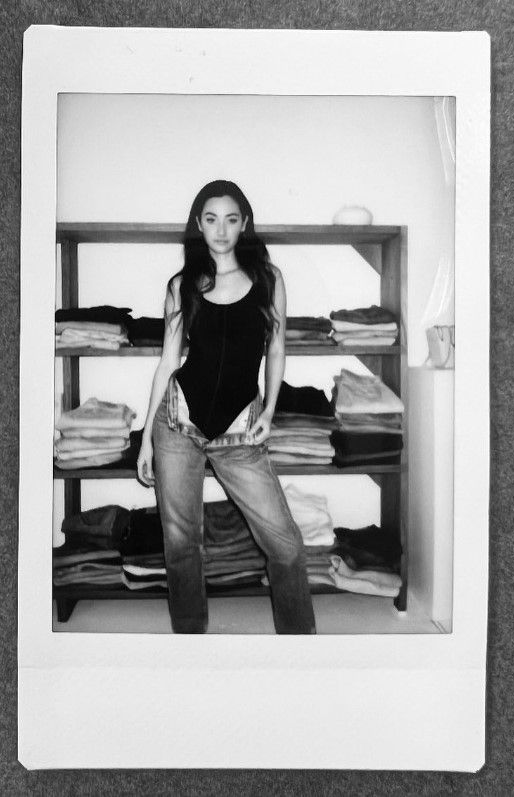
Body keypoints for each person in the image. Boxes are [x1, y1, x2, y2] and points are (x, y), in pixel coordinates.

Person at [137, 180, 316, 634]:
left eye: (231, 219)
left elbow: (276, 349)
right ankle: (191, 639)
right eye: (211, 219)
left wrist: (270, 412)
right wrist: (146, 441)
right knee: (181, 544)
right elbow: (167, 362)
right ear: (198, 225)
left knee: (286, 545)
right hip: (177, 424)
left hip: (241, 431)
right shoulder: (182, 285)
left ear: (244, 224)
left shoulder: (268, 280)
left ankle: (301, 646)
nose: (221, 230)